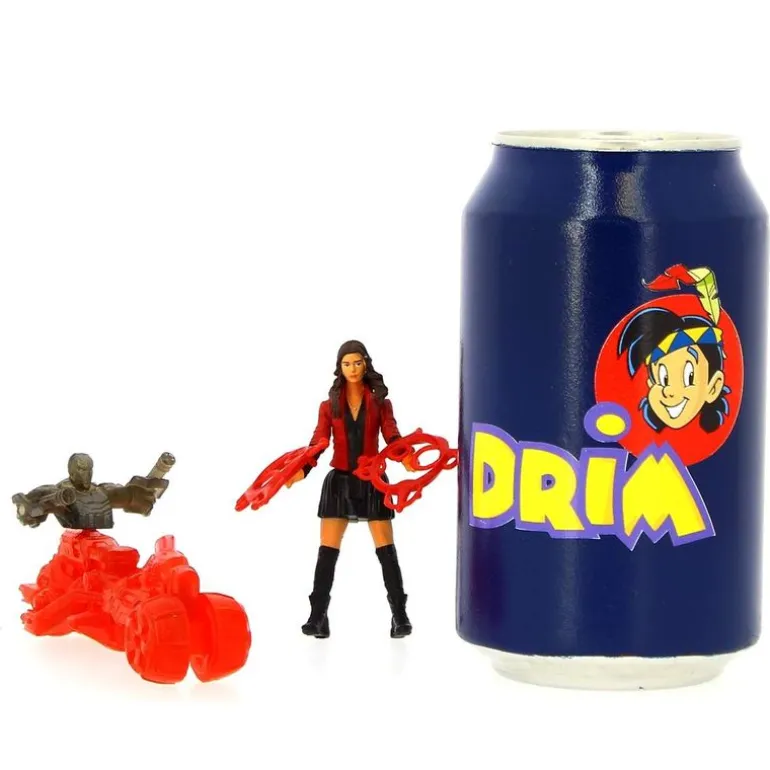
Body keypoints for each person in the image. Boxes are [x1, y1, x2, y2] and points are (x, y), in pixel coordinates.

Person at [286, 339, 414, 639]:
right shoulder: (328, 406)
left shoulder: (380, 403)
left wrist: (405, 456)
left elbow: (392, 435)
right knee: (327, 551)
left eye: (357, 362)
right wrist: (301, 470)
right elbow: (318, 442)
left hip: (372, 480)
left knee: (386, 549)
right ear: (339, 368)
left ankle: (399, 614)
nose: (353, 369)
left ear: (366, 363)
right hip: (340, 481)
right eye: (347, 364)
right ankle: (317, 616)